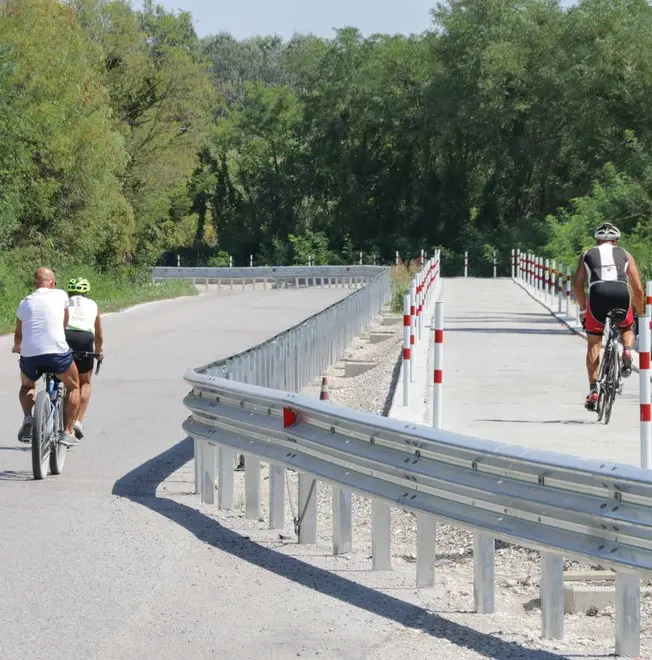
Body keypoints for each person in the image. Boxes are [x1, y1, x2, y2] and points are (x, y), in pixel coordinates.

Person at [572, 222, 644, 411]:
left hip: (598, 293)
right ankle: (627, 351)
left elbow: (577, 285)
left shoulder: (587, 254)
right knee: (627, 327)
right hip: (621, 292)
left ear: (597, 240)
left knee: (594, 343)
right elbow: (637, 288)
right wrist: (641, 312)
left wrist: (583, 309)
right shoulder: (625, 254)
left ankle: (594, 390)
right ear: (616, 240)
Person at [12, 267, 80, 447]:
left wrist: (17, 346)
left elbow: (19, 333)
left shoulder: (25, 302)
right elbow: (64, 322)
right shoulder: (61, 295)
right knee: (73, 387)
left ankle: (28, 419)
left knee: (27, 385)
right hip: (57, 353)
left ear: (35, 283)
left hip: (31, 355)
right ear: (52, 282)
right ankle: (68, 431)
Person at [64, 277, 103, 439]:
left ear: (69, 292)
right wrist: (99, 352)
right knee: (84, 382)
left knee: (65, 378)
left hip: (65, 335)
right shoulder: (93, 305)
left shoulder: (64, 302)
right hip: (85, 338)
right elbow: (99, 334)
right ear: (86, 293)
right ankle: (78, 421)